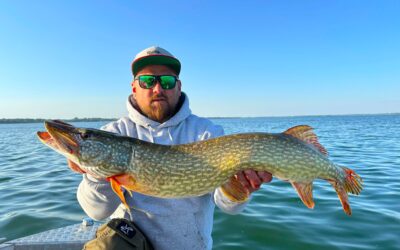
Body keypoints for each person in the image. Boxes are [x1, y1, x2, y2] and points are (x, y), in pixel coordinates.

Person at [68, 46, 272, 250]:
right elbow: (97, 212)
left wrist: (242, 187)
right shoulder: (115, 132)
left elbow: (228, 206)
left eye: (167, 81)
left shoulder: (206, 133)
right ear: (134, 88)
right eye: (147, 81)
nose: (157, 89)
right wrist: (96, 174)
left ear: (178, 86)